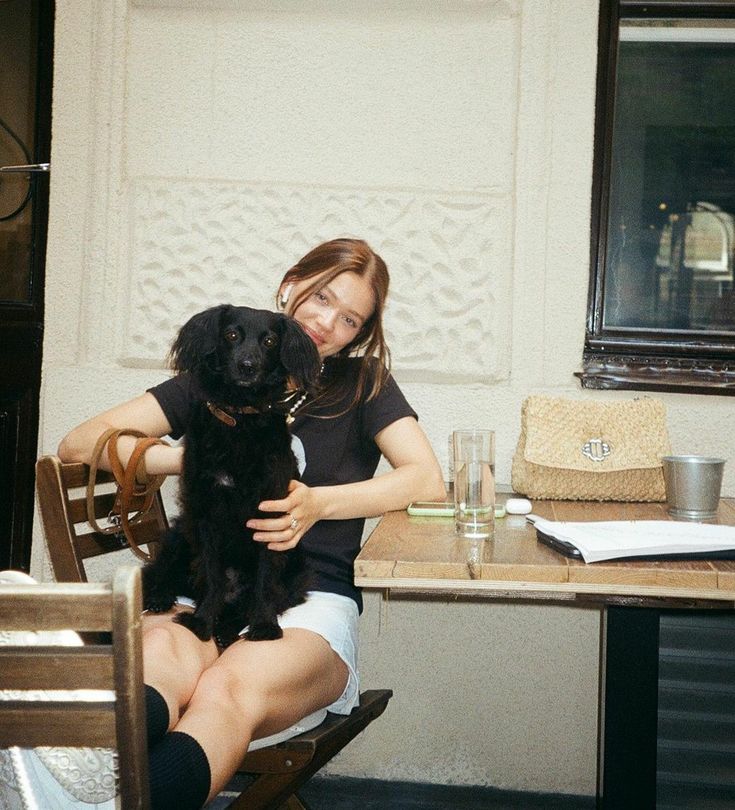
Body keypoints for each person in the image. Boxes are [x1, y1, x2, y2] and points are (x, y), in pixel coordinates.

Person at [58, 237, 446, 809]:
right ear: (292, 283)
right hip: (202, 589)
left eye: (349, 319)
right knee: (162, 655)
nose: (326, 322)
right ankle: (65, 779)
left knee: (226, 687)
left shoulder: (362, 385)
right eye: (321, 297)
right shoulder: (212, 376)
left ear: (359, 334)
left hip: (307, 596)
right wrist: (181, 456)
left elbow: (426, 480)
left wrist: (317, 503)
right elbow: (78, 444)